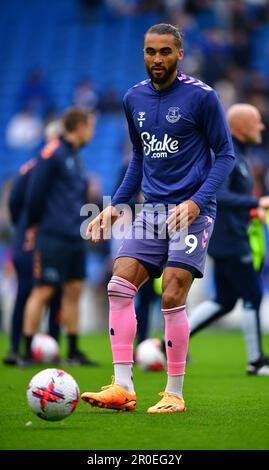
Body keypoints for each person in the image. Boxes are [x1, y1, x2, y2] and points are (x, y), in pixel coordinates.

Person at [81, 23, 235, 413]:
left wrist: (198, 202)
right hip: (151, 210)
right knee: (118, 286)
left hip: (192, 212)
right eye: (151, 52)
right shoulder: (133, 98)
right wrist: (117, 203)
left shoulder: (203, 97)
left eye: (165, 52)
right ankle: (122, 386)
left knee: (171, 293)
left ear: (179, 54)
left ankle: (174, 393)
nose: (157, 59)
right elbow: (140, 157)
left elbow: (226, 155)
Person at [189, 103, 269, 376]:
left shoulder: (241, 154)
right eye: (257, 121)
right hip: (228, 238)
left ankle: (170, 343)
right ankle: (256, 361)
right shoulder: (229, 155)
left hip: (230, 235)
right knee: (253, 294)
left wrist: (251, 209)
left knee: (225, 299)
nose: (261, 127)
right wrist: (256, 201)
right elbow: (219, 195)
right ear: (241, 126)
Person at [21, 107, 98, 366]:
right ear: (80, 125)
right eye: (91, 126)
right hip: (52, 235)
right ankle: (27, 351)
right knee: (43, 289)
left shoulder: (77, 157)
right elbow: (35, 193)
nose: (93, 133)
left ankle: (73, 351)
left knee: (74, 289)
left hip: (74, 236)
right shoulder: (52, 152)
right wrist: (33, 226)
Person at [3, 158, 61, 365]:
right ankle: (16, 348)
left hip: (51, 237)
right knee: (26, 291)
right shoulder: (33, 168)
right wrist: (25, 226)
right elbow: (14, 202)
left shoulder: (57, 165)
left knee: (55, 292)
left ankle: (51, 347)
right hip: (29, 239)